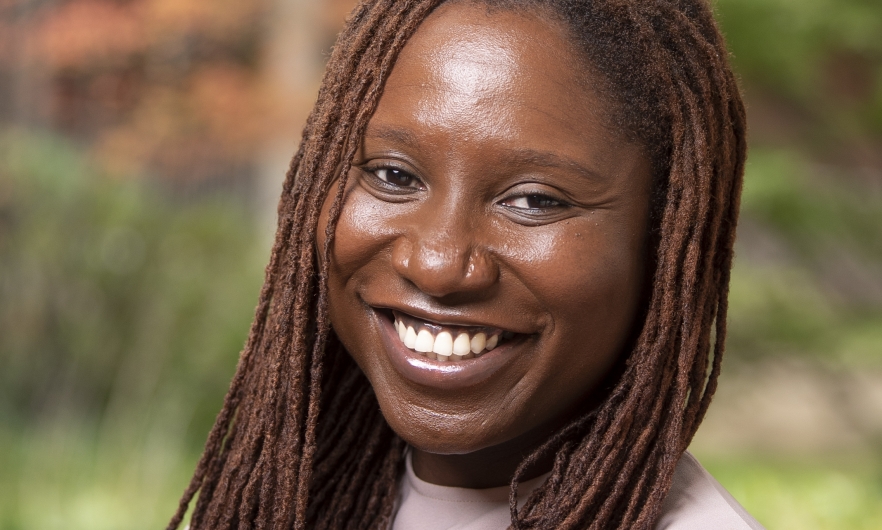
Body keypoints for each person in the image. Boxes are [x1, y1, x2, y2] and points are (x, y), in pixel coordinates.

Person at [168, 1, 761, 528]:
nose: (437, 265)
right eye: (393, 175)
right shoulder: (286, 496)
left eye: (533, 200)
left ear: (665, 245)